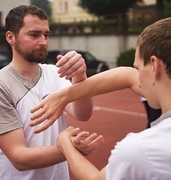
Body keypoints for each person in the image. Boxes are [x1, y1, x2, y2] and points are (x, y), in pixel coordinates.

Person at [32, 17, 171, 179]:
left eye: (138, 68)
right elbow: (125, 76)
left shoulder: (141, 149)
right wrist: (66, 95)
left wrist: (65, 144)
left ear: (154, 65)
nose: (137, 77)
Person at [0, 5, 104, 180]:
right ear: (10, 37)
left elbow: (82, 114)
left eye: (46, 35)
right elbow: (19, 157)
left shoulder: (54, 72)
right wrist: (70, 148)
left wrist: (80, 76)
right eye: (34, 35)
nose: (43, 41)